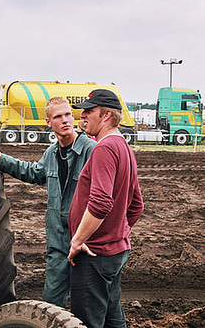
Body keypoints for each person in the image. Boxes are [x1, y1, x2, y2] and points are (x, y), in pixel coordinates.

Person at [0, 97, 96, 307]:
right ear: (48, 122)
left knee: (90, 304)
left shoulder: (91, 150)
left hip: (86, 240)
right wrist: (3, 159)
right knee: (52, 301)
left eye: (68, 114)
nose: (66, 120)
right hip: (58, 239)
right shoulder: (51, 153)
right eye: (58, 116)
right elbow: (35, 173)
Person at [67, 89, 144, 327]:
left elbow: (100, 203)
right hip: (112, 252)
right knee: (113, 320)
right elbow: (136, 205)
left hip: (94, 255)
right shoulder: (123, 147)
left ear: (106, 115)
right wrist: (116, 234)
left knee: (88, 322)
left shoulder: (104, 148)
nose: (83, 116)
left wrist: (78, 240)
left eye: (89, 111)